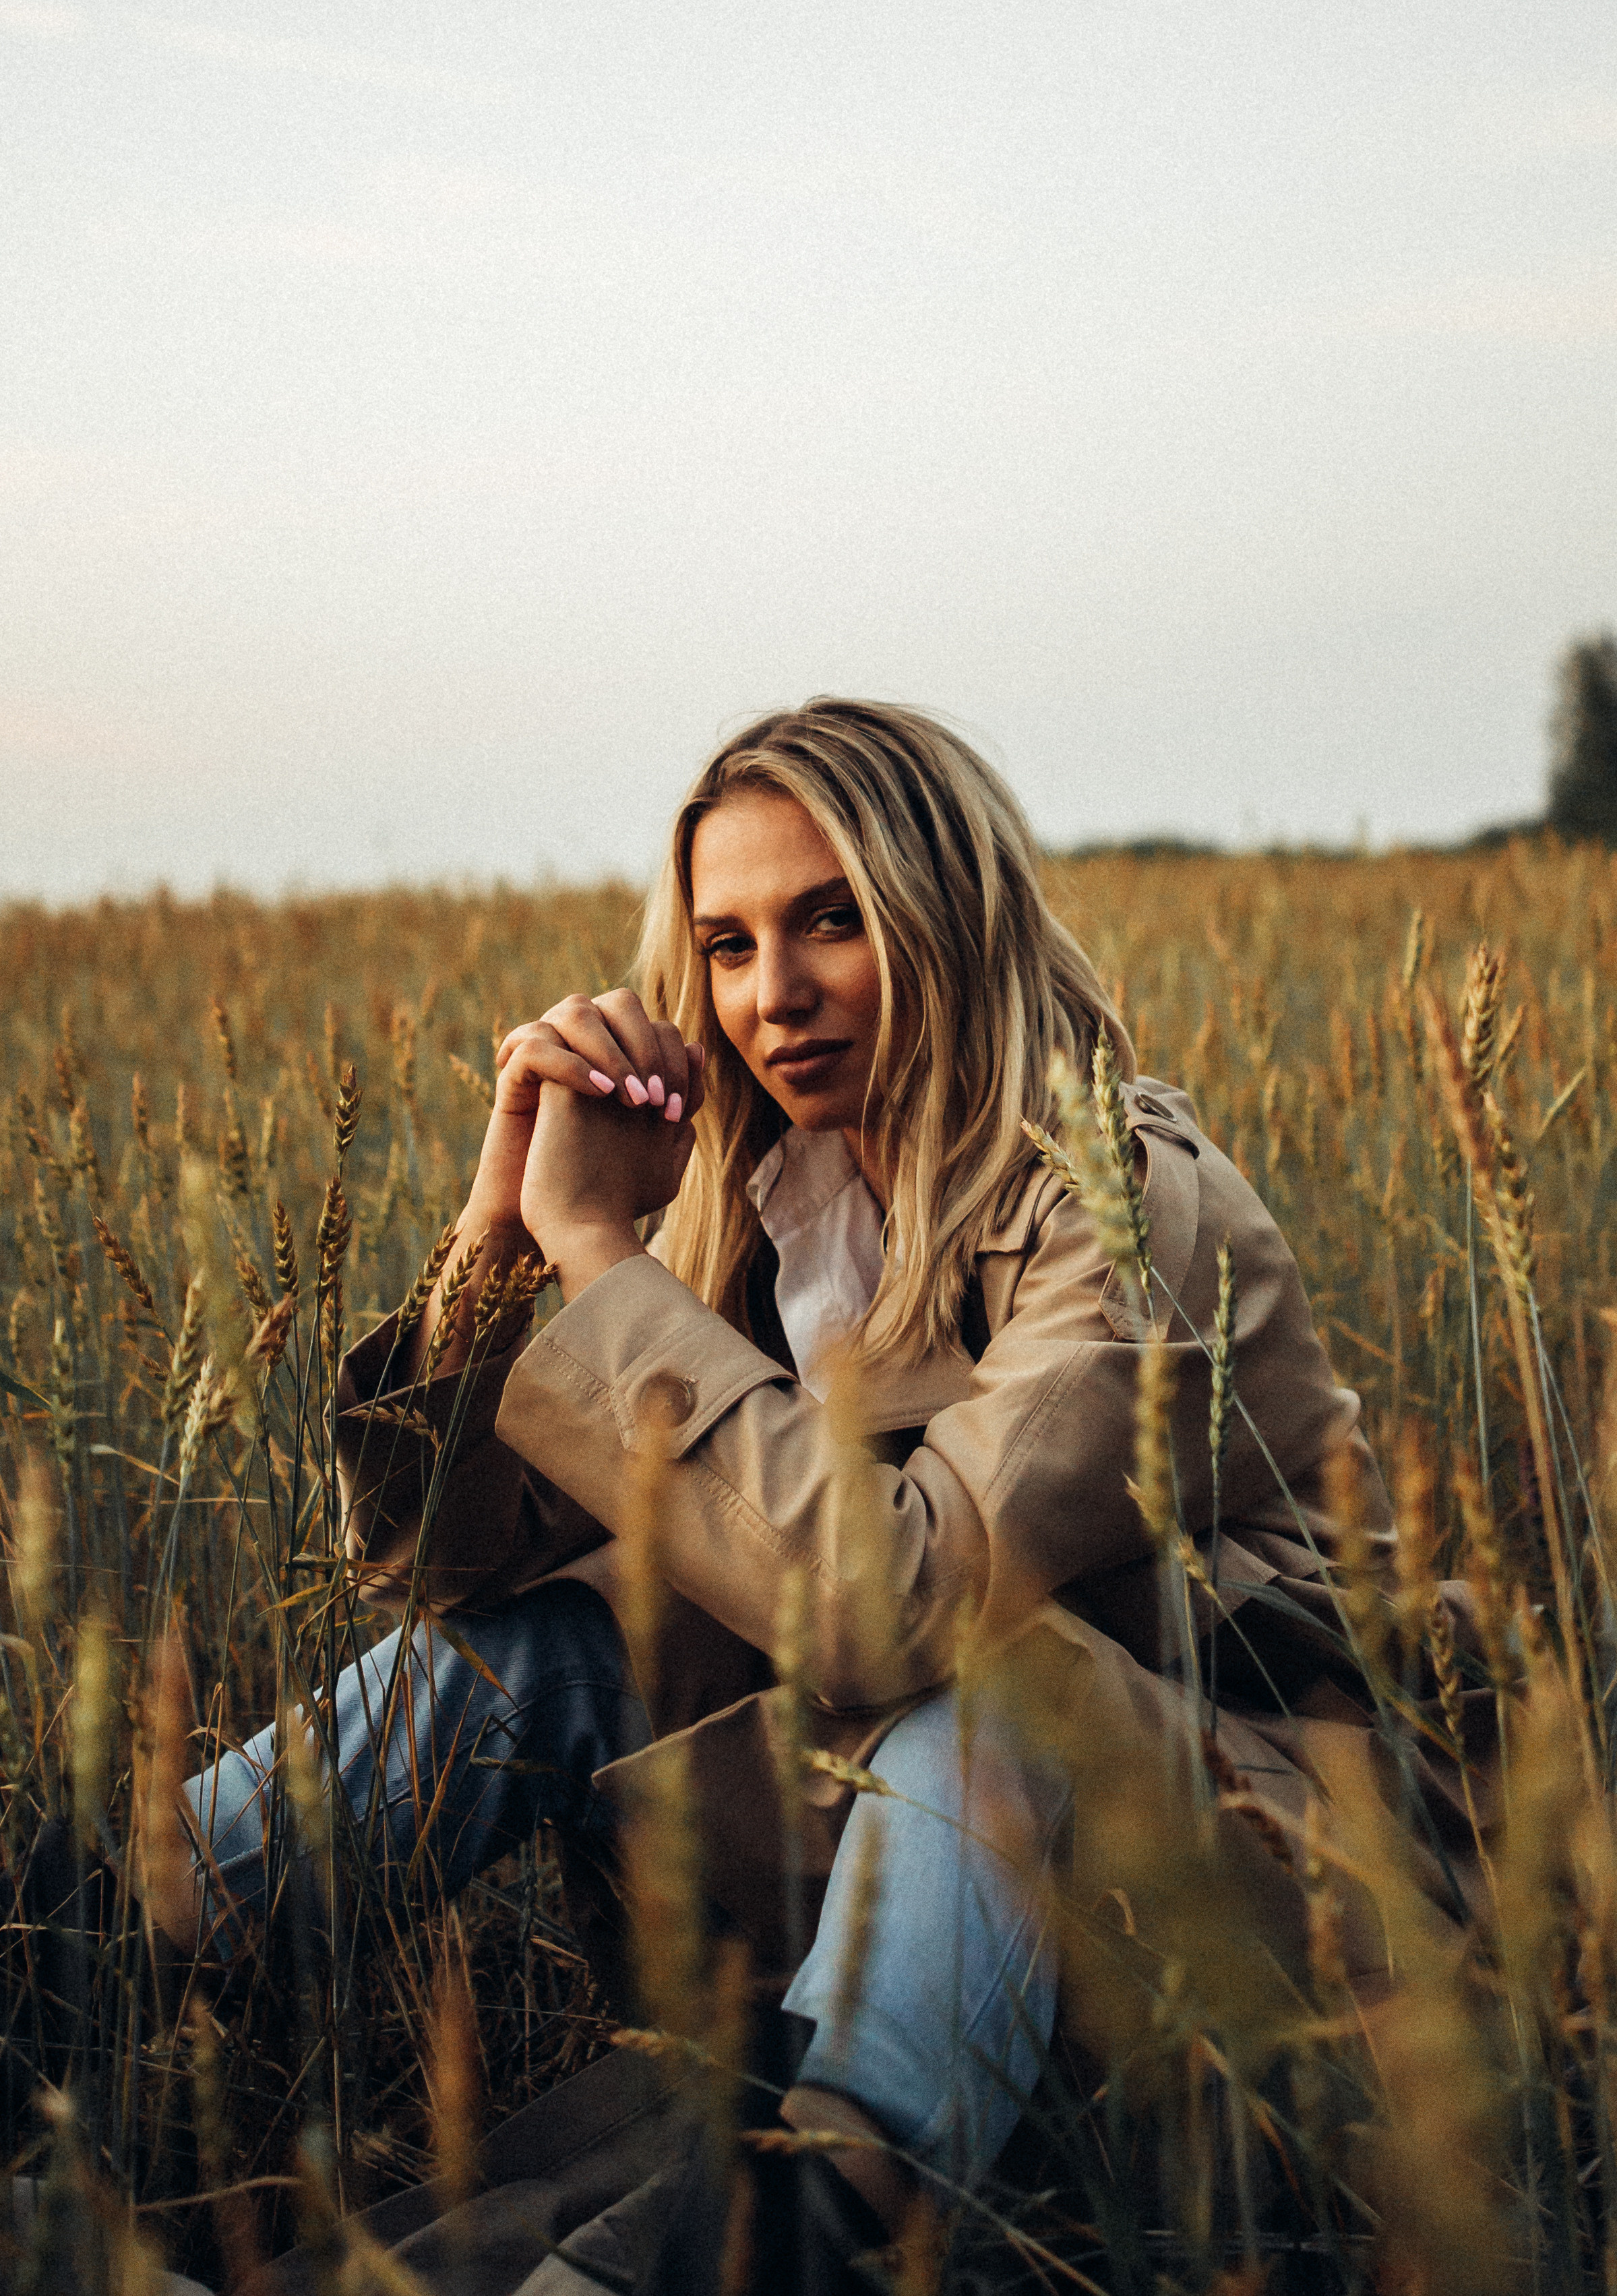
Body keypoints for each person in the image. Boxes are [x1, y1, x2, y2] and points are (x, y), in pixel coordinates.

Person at [181, 699, 1415, 2261]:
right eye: (731, 944)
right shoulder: (771, 1200)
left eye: (834, 920)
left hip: (1254, 1867)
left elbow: (891, 1613)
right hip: (907, 1841)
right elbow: (453, 1561)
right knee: (556, 1640)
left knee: (991, 1692)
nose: (779, 995)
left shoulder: (1123, 1199)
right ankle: (93, 1951)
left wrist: (602, 1257)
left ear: (948, 914)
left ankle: (812, 2234)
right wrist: (501, 1236)